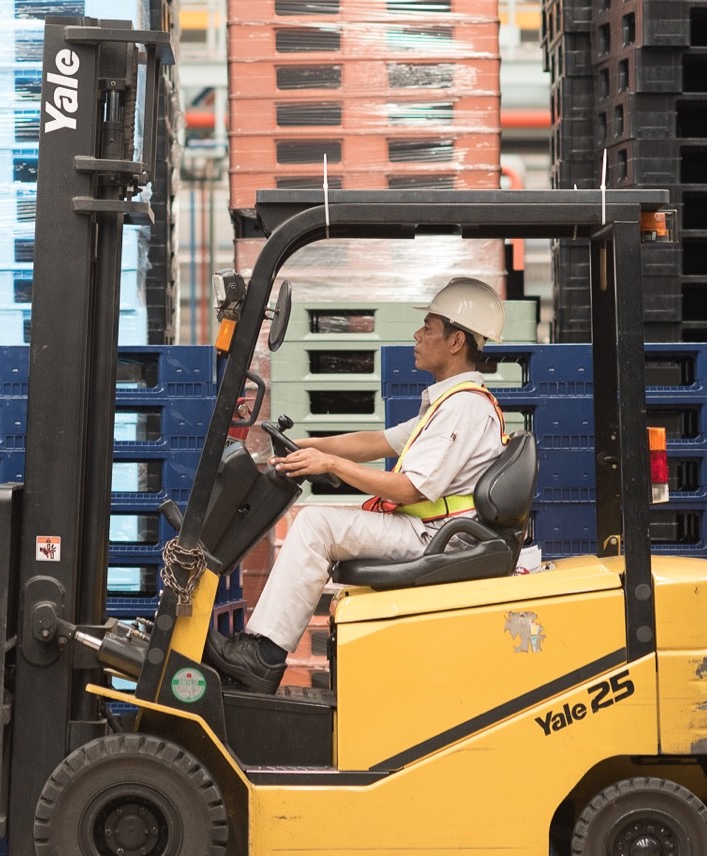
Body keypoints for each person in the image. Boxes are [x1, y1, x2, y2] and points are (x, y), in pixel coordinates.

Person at [208, 278, 509, 694]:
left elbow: (409, 489)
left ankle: (264, 656)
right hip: (430, 531)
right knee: (319, 524)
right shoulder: (450, 403)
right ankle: (262, 651)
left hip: (436, 537)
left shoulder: (464, 408)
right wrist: (308, 446)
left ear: (456, 341)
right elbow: (375, 442)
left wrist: (330, 463)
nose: (417, 335)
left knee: (315, 525)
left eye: (428, 328)